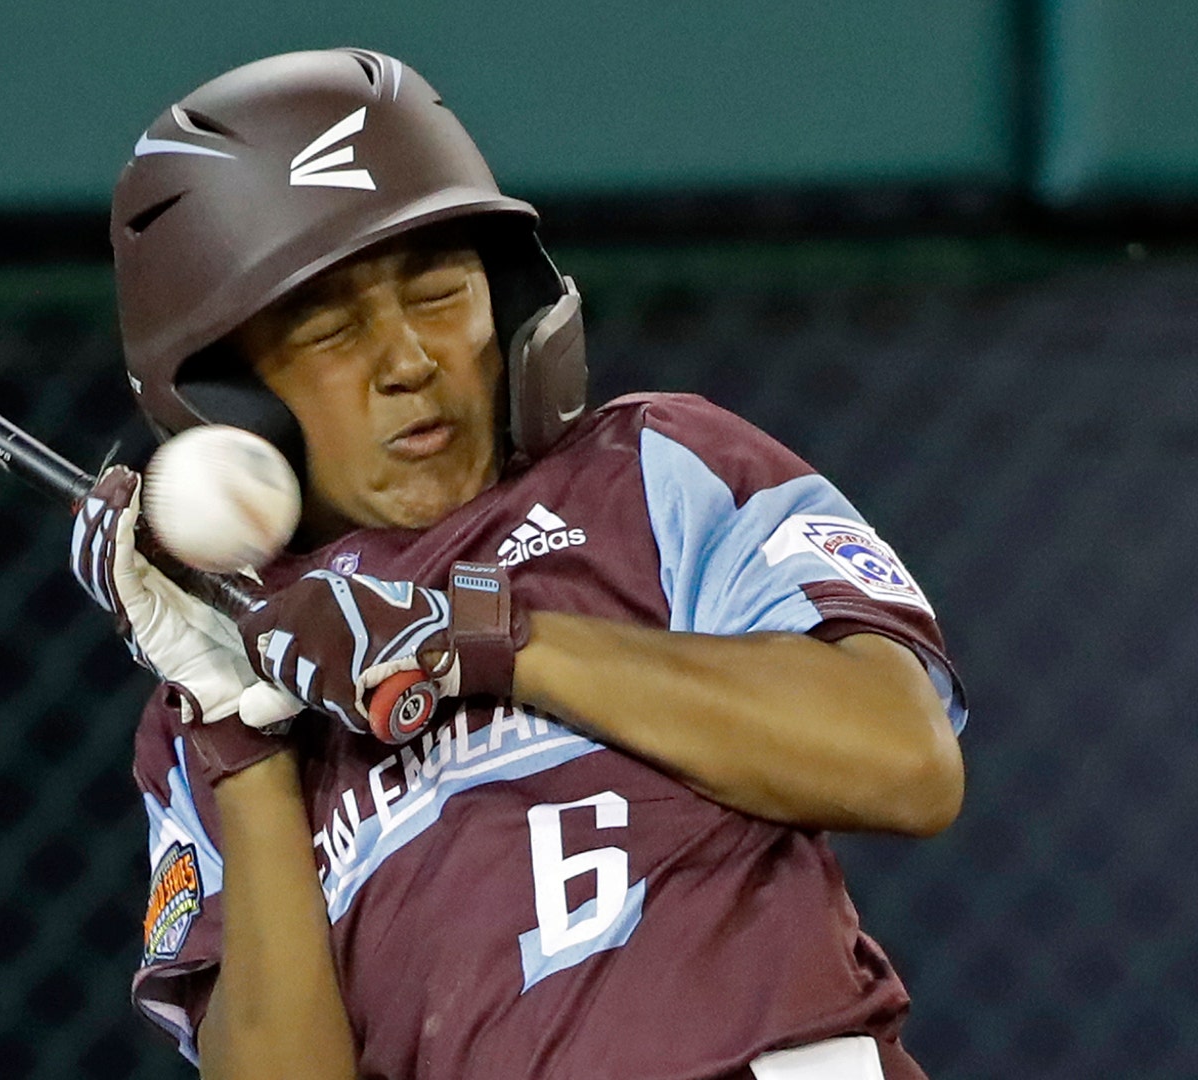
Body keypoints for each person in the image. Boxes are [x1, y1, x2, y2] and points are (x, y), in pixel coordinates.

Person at [70, 49, 967, 1080]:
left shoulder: (650, 469)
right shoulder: (220, 690)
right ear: (232, 401)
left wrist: (484, 637)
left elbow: (905, 762)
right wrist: (244, 736)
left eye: (442, 293)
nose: (409, 360)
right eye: (330, 328)